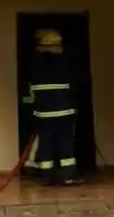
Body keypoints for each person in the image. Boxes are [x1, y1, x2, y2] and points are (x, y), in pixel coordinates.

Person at [24, 28, 83, 186]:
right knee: (66, 142)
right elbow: (75, 84)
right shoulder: (66, 61)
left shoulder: (34, 63)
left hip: (43, 113)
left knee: (45, 142)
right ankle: (68, 175)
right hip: (64, 110)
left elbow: (30, 87)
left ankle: (46, 175)